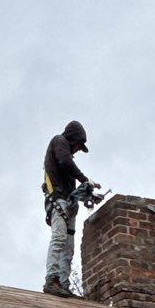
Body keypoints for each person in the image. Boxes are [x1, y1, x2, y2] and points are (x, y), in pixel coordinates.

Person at [41, 120, 99, 298]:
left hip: (68, 202)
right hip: (58, 200)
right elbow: (65, 161)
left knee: (68, 247)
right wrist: (85, 179)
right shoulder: (59, 142)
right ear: (74, 140)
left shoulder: (66, 159)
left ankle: (63, 284)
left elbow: (72, 188)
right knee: (59, 239)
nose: (77, 152)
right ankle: (52, 280)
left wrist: (88, 192)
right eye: (78, 147)